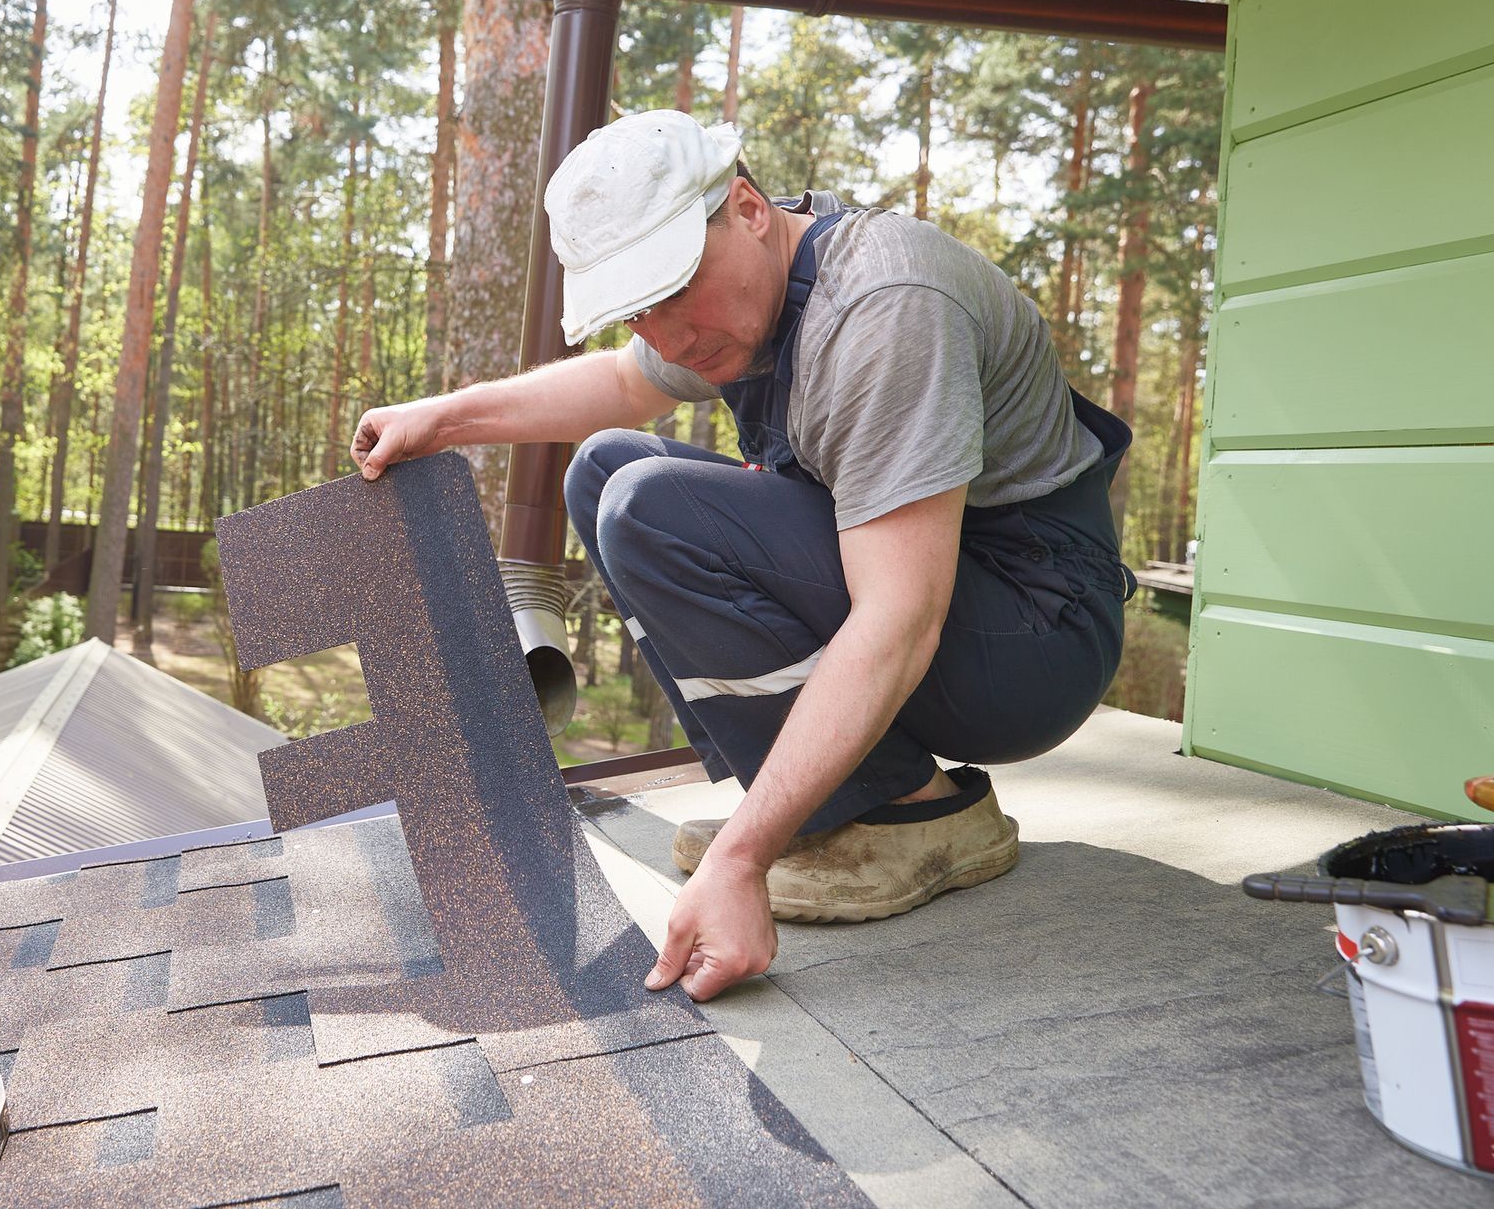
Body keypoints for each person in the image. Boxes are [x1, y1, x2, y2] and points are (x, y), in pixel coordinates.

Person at [351, 110, 1133, 1003]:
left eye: (675, 292)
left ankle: (915, 816)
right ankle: (845, 809)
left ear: (749, 208)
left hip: (1032, 638)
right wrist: (440, 419)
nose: (671, 338)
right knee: (606, 467)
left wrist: (741, 858)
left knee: (650, 509)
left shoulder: (881, 310)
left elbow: (900, 616)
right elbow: (618, 383)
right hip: (952, 605)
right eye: (639, 308)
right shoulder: (745, 298)